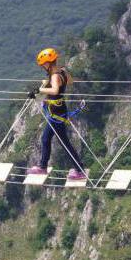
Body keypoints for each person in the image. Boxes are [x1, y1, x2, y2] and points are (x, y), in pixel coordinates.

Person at [26, 48, 86, 180]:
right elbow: (69, 81)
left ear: (47, 64)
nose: (43, 68)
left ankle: (77, 169)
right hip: (60, 109)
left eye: (43, 65)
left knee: (57, 141)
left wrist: (40, 89)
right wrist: (47, 84)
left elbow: (54, 90)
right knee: (51, 139)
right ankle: (76, 168)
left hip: (56, 112)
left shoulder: (54, 75)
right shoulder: (62, 71)